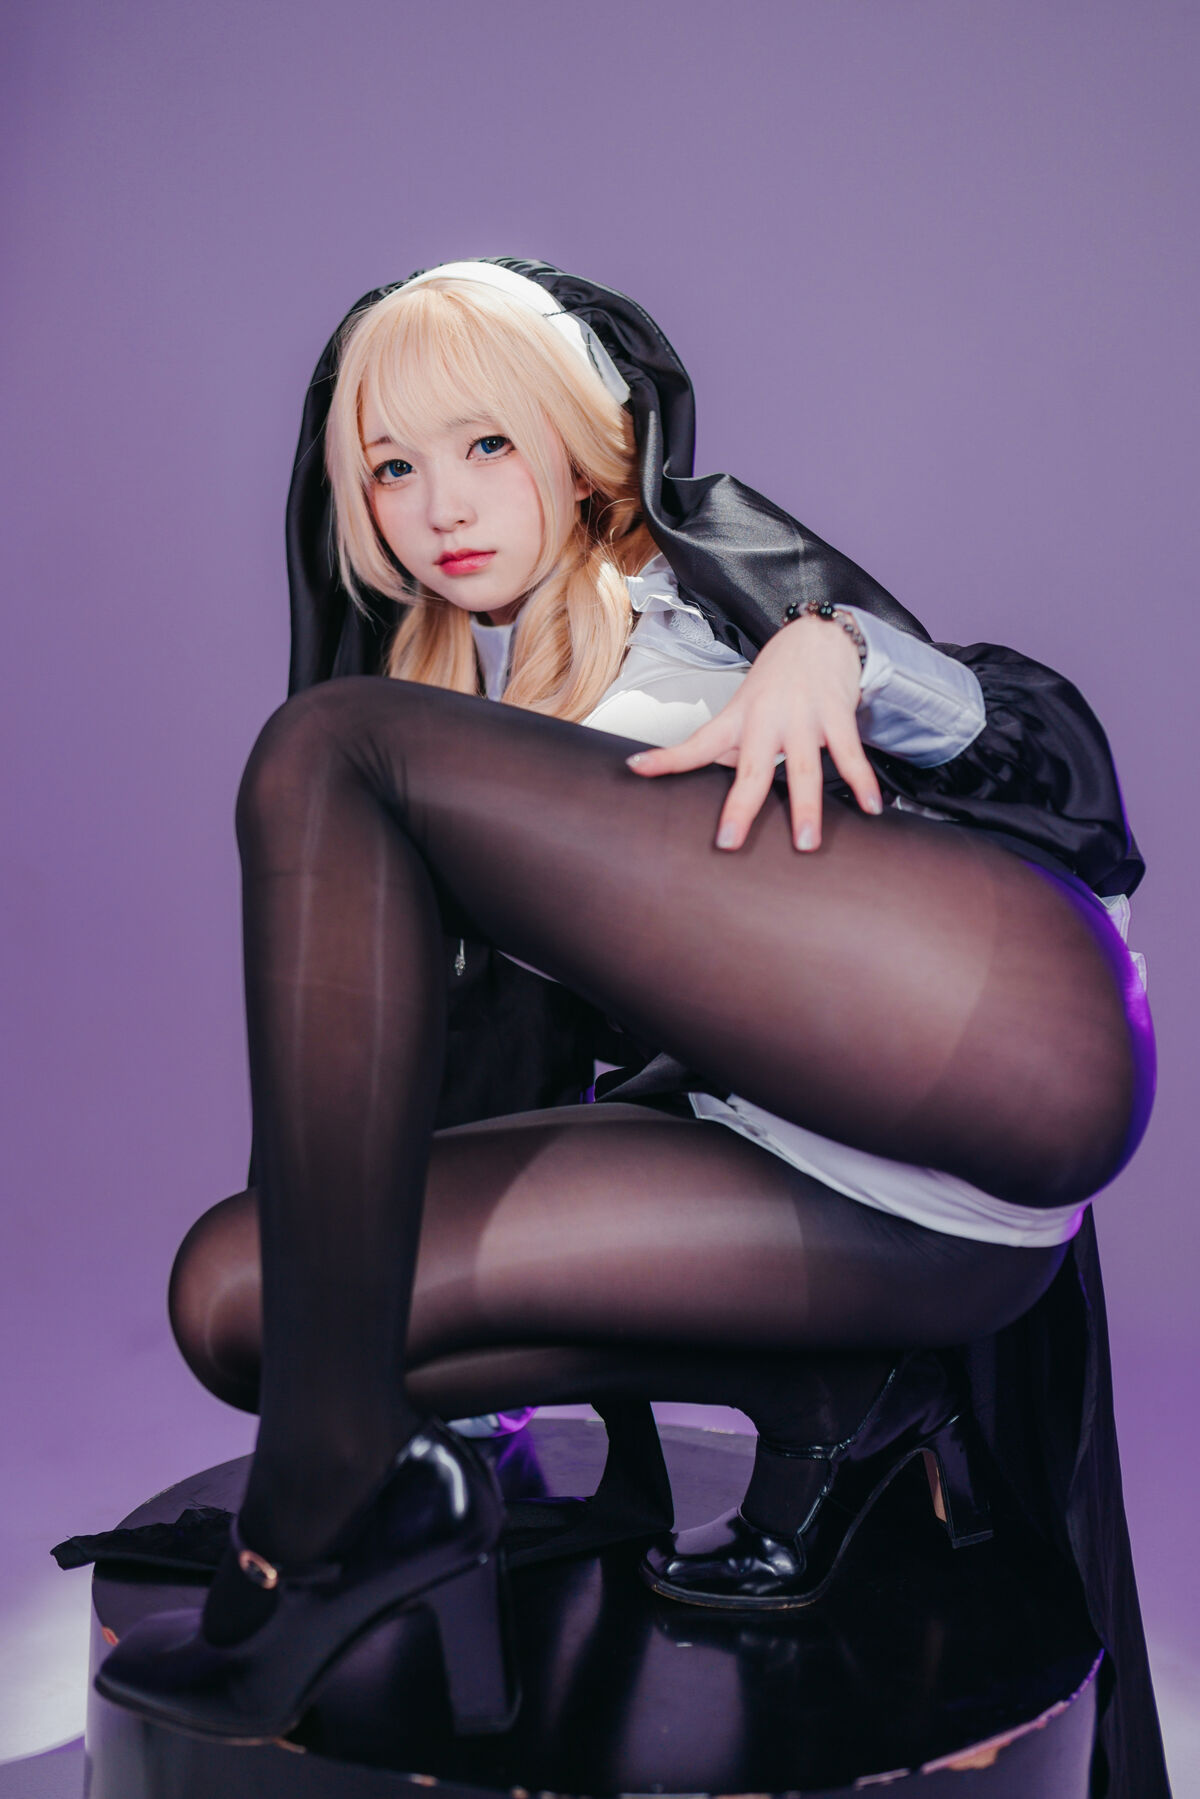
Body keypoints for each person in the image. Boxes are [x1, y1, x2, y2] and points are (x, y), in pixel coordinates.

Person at [96, 259, 1165, 1794]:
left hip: (1017, 1037)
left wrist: (839, 646)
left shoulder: (695, 587)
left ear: (581, 442)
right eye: (391, 470)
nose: (441, 507)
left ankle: (328, 1516)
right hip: (881, 1227)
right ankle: (822, 1399)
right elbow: (471, 1091)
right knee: (240, 1297)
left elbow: (1037, 737)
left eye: (486, 443)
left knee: (326, 748)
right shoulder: (477, 731)